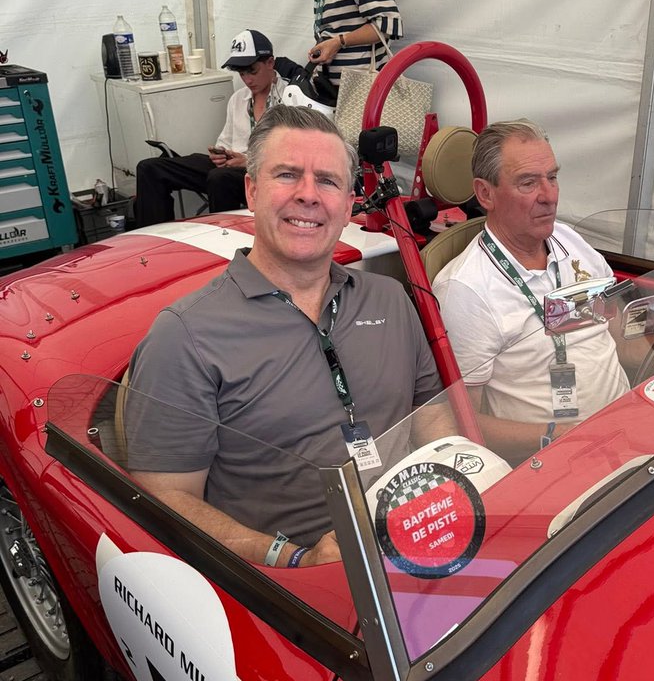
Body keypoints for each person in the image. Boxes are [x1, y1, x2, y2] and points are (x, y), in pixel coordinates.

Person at [126, 105, 443, 568]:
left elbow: (431, 413)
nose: (308, 196)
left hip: (420, 541)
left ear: (350, 202)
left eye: (328, 181)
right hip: (291, 591)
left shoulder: (389, 298)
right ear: (252, 191)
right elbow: (166, 497)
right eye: (288, 175)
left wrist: (454, 479)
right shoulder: (185, 335)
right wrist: (292, 559)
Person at [433, 119, 629, 464]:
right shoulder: (466, 290)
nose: (549, 195)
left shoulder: (570, 241)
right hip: (555, 460)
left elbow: (620, 337)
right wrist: (557, 435)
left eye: (552, 177)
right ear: (485, 194)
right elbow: (462, 424)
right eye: (528, 183)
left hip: (625, 432)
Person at [133, 29, 286, 226]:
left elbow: (295, 159)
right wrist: (220, 154)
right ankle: (153, 243)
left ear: (270, 63)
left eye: (252, 71)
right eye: (242, 73)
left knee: (219, 178)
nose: (247, 80)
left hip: (264, 174)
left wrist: (248, 162)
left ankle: (224, 241)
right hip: (231, 169)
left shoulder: (291, 97)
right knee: (149, 168)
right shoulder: (238, 99)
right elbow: (224, 142)